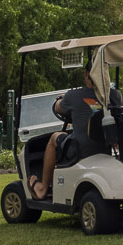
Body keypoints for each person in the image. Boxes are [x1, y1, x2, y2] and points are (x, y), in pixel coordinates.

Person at [32, 68, 102, 201]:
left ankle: (43, 188)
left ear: (87, 74)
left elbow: (58, 107)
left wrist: (60, 99)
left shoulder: (73, 96)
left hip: (80, 149)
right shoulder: (114, 95)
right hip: (104, 148)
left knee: (54, 138)